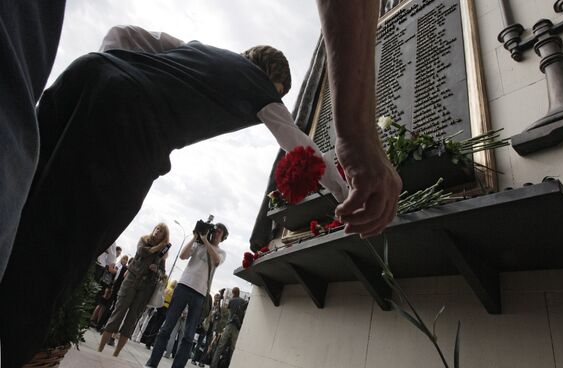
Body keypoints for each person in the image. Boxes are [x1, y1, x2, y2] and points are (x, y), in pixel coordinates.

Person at [0, 3, 401, 366]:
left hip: (88, 75)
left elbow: (122, 34)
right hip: (132, 126)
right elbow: (302, 148)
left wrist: (113, 73)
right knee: (53, 257)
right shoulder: (262, 92)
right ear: (275, 81)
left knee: (15, 200)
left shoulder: (199, 49)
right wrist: (346, 193)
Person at [145, 223, 228, 368]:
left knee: (189, 336)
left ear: (224, 236)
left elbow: (215, 260)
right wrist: (196, 237)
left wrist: (206, 240)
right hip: (183, 286)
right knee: (166, 327)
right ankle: (152, 363)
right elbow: (183, 256)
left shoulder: (221, 252)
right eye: (215, 230)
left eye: (219, 232)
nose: (216, 233)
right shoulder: (199, 245)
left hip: (200, 293)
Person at [97, 224, 170, 357]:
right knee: (118, 313)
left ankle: (116, 353)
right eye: (157, 228)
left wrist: (157, 270)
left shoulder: (163, 254)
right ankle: (100, 348)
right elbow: (142, 252)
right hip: (131, 280)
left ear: (164, 237)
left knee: (131, 320)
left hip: (146, 287)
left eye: (161, 231)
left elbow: (163, 273)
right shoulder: (144, 240)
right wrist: (157, 248)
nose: (158, 231)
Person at [211, 287, 247, 368]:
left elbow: (229, 311)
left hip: (229, 325)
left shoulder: (232, 300)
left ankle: (213, 365)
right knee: (233, 348)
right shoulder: (243, 301)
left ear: (233, 293)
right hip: (237, 327)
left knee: (220, 346)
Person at [141, 279, 177, 349]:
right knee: (158, 326)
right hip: (166, 309)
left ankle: (147, 341)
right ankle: (150, 342)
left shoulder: (167, 289)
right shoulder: (174, 293)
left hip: (159, 307)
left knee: (153, 324)